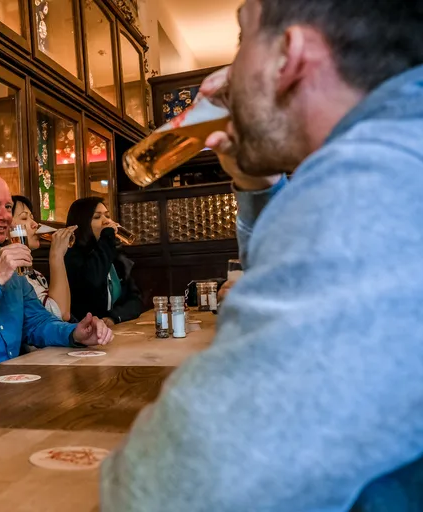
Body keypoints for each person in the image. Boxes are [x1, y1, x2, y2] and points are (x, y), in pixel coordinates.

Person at [101, 0, 423, 510]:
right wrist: (257, 186)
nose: (217, 83)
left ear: (289, 56)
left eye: (240, 39)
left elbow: (169, 488)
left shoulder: (371, 186)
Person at [0, 172, 113, 365]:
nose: (5, 216)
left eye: (8, 207)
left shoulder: (8, 259)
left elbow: (36, 322)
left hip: (15, 378)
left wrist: (75, 333)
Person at [64, 197, 144, 326]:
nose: (106, 222)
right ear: (82, 223)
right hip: (83, 333)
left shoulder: (114, 256)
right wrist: (107, 237)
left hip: (113, 331)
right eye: (97, 217)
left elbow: (136, 300)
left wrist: (114, 317)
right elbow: (93, 280)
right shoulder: (71, 255)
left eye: (107, 216)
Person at [9, 195, 75, 321]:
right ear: (5, 229)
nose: (35, 224)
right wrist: (56, 255)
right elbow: (59, 314)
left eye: (32, 218)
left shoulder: (36, 275)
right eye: (24, 218)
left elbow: (64, 314)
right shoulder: (12, 274)